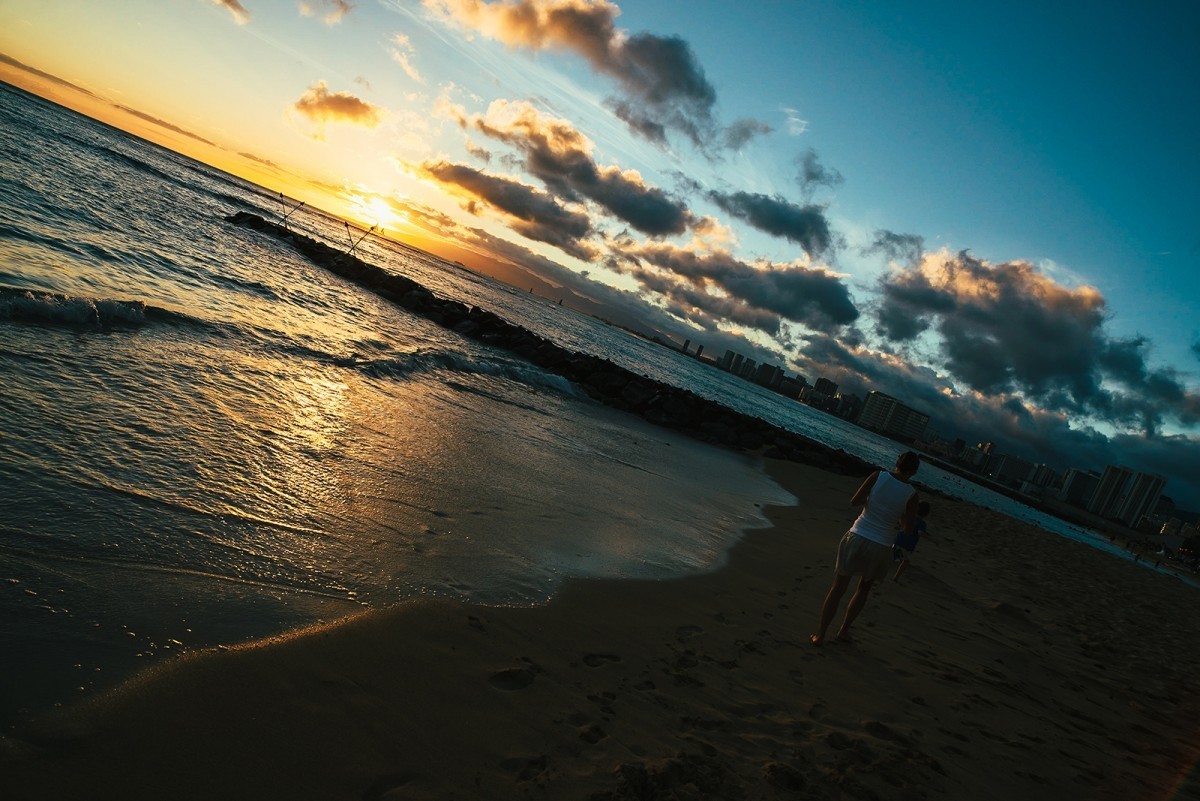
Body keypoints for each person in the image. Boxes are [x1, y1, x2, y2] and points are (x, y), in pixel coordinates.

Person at [811, 451, 921, 645]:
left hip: (858, 535)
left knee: (838, 588)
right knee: (863, 589)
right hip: (881, 545)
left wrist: (871, 501)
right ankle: (843, 630)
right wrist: (900, 514)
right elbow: (908, 530)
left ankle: (820, 634)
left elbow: (854, 501)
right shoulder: (911, 495)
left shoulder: (878, 476)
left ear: (897, 463)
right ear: (913, 472)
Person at [892, 501, 931, 582]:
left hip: (898, 540)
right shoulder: (922, 523)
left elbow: (901, 520)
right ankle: (896, 576)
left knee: (892, 554)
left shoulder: (909, 517)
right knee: (905, 561)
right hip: (907, 545)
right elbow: (920, 532)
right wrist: (932, 539)